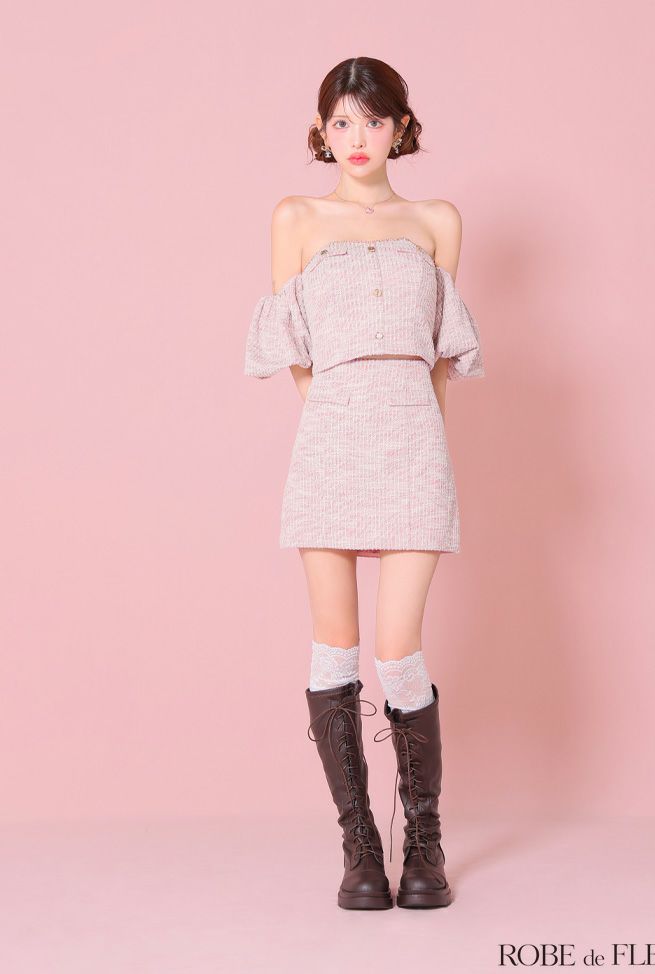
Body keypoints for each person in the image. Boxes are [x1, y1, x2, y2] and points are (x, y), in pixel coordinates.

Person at [244, 56, 484, 910]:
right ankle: (359, 848)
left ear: (400, 128)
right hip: (332, 441)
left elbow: (442, 361)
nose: (357, 138)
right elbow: (294, 350)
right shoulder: (296, 217)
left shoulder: (436, 221)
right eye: (341, 122)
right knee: (335, 649)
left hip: (415, 440)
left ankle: (424, 843)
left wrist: (424, 438)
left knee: (399, 654)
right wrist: (339, 413)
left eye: (373, 121)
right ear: (321, 131)